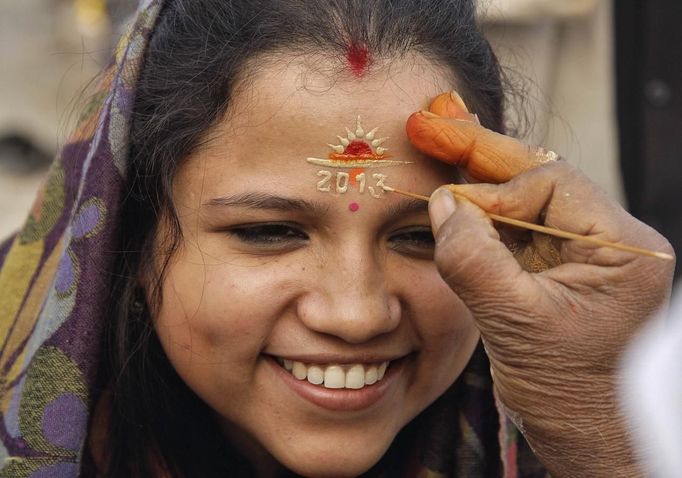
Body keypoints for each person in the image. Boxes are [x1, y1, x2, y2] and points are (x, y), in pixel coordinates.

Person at [0, 0, 674, 477]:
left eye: (422, 236)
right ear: (131, 237)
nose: (356, 315)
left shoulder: (625, 424)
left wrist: (605, 439)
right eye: (270, 232)